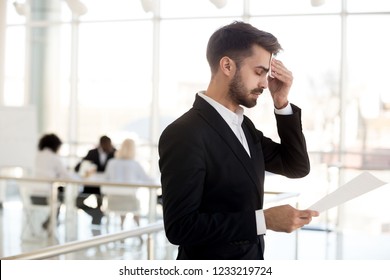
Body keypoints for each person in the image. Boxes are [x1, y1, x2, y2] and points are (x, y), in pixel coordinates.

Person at [158, 21, 319, 260]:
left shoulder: (244, 126)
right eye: (259, 72)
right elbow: (180, 227)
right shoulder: (184, 133)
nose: (265, 83)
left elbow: (295, 166)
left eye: (267, 74)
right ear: (227, 65)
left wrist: (282, 102)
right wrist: (263, 220)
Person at [102, 138, 153, 229]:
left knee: (123, 201)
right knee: (131, 204)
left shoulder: (112, 162)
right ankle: (138, 230)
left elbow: (105, 179)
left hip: (113, 200)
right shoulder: (134, 164)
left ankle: (122, 228)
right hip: (130, 201)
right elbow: (147, 179)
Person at [33, 133, 78, 229]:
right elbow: (66, 177)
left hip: (33, 196)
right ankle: (51, 222)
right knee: (60, 195)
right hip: (48, 196)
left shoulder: (38, 156)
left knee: (59, 193)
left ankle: (50, 221)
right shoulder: (54, 158)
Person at [74, 135, 115, 225]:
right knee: (78, 201)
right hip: (91, 185)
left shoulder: (114, 153)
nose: (109, 147)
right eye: (106, 145)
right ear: (100, 144)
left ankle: (97, 222)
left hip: (107, 187)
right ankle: (96, 215)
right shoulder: (92, 153)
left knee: (101, 204)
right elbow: (78, 167)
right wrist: (89, 169)